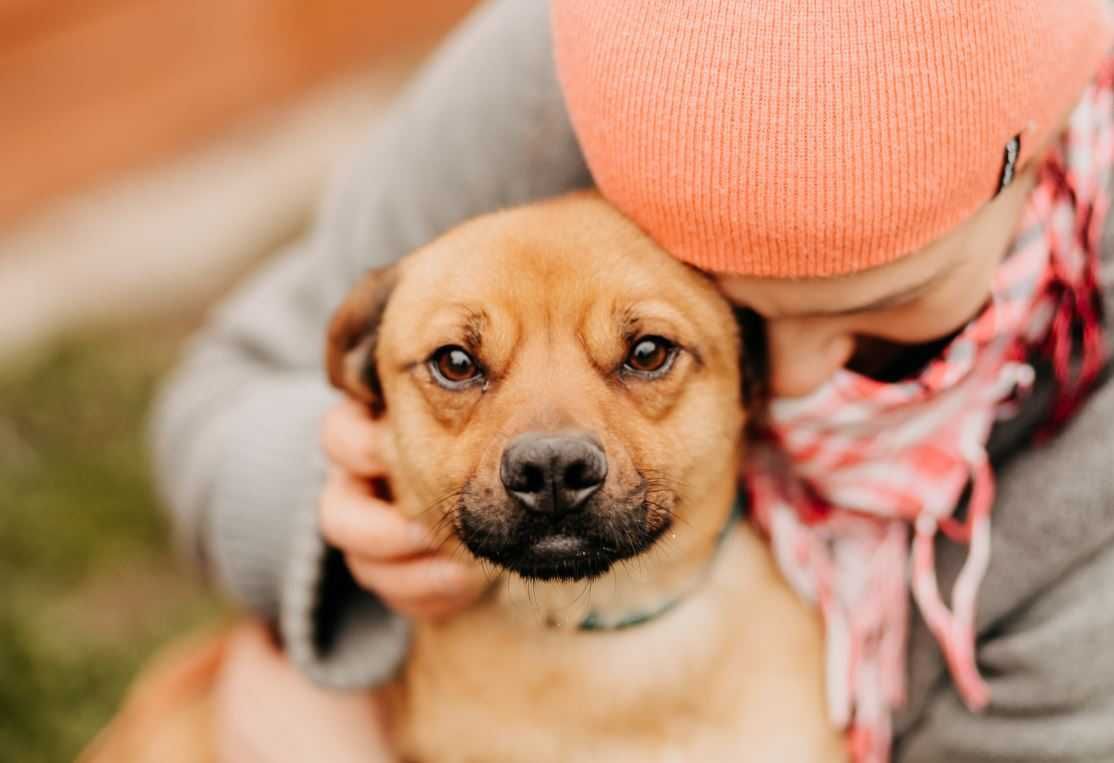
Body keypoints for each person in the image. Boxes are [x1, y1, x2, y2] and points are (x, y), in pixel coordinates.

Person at [151, 1, 1114, 761]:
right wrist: (325, 517)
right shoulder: (556, 72)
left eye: (647, 350)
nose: (783, 380)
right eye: (458, 364)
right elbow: (226, 388)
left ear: (1049, 148)